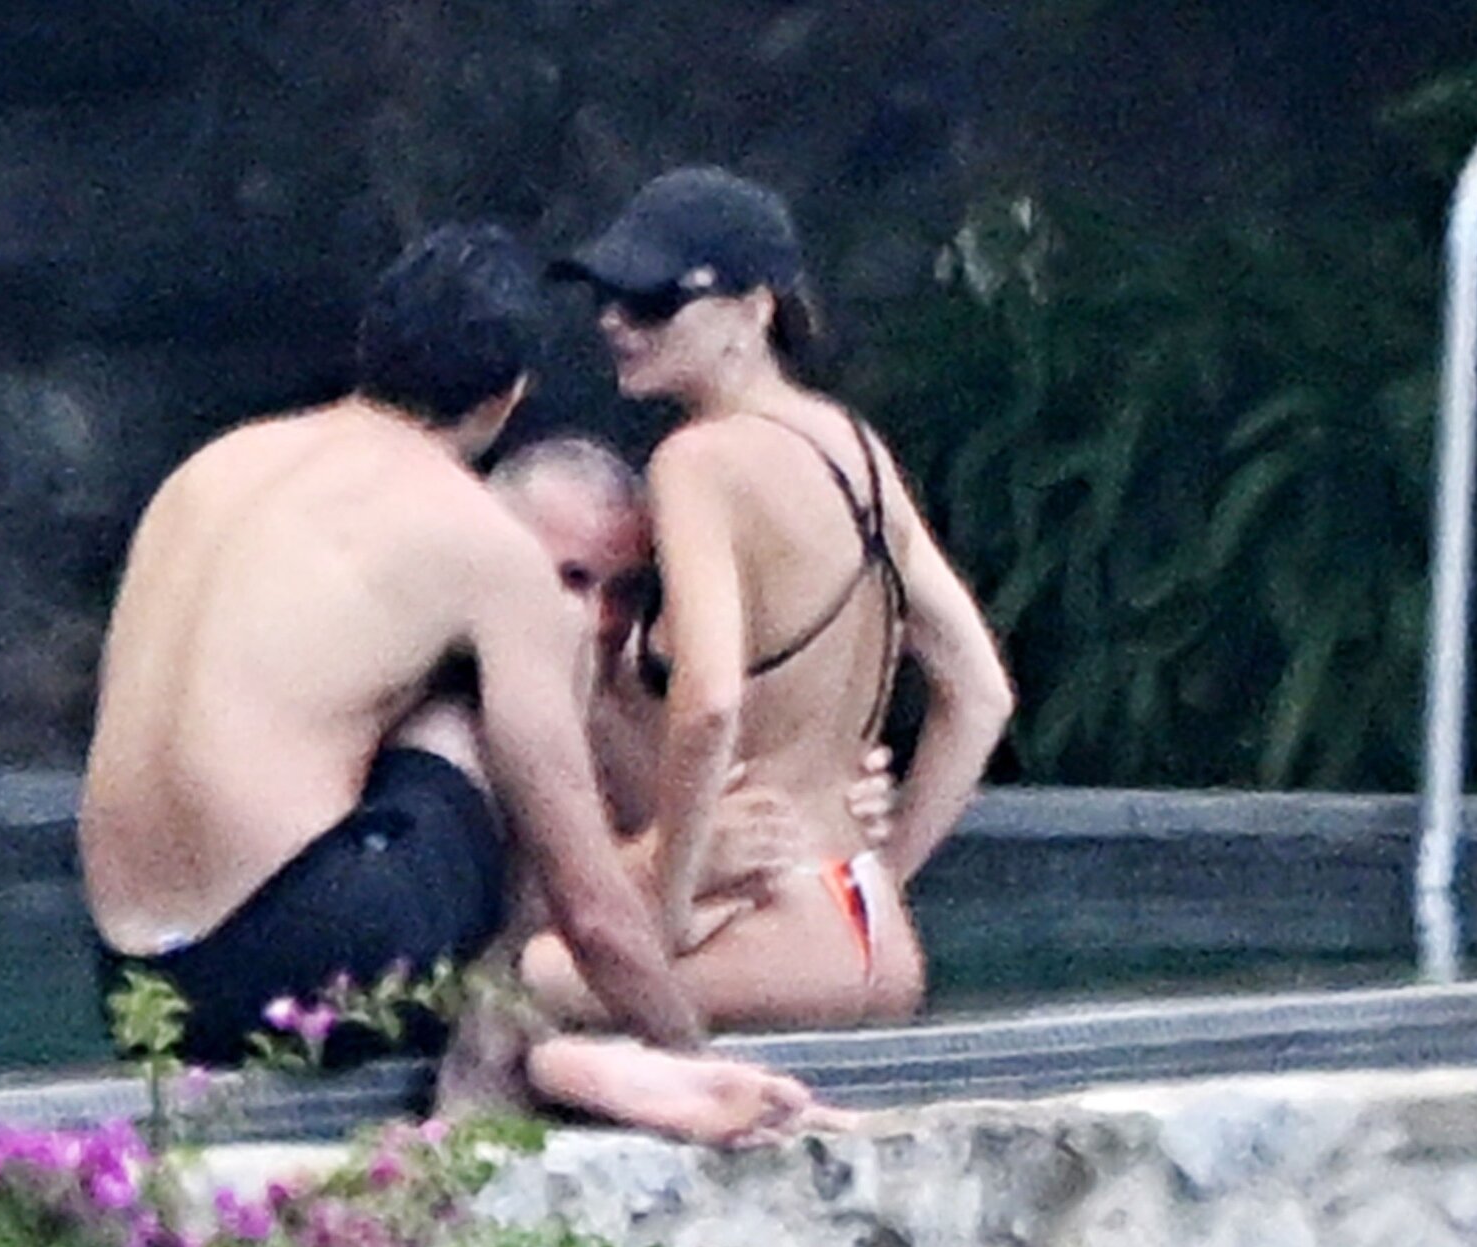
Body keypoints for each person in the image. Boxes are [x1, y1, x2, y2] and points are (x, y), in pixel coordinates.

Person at [79, 224, 821, 1146]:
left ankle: (540, 1060)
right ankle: (499, 1065)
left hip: (133, 991)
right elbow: (591, 910)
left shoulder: (208, 471)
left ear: (371, 347)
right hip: (303, 978)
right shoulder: (483, 544)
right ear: (510, 398)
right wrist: (691, 1054)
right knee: (474, 710)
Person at [524, 167, 1016, 1031]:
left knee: (508, 983)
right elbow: (980, 694)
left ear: (754, 309)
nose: (616, 322)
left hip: (766, 920)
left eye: (654, 301)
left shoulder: (698, 462)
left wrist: (670, 903)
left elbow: (710, 701)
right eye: (608, 297)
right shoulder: (856, 449)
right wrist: (884, 876)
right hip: (870, 929)